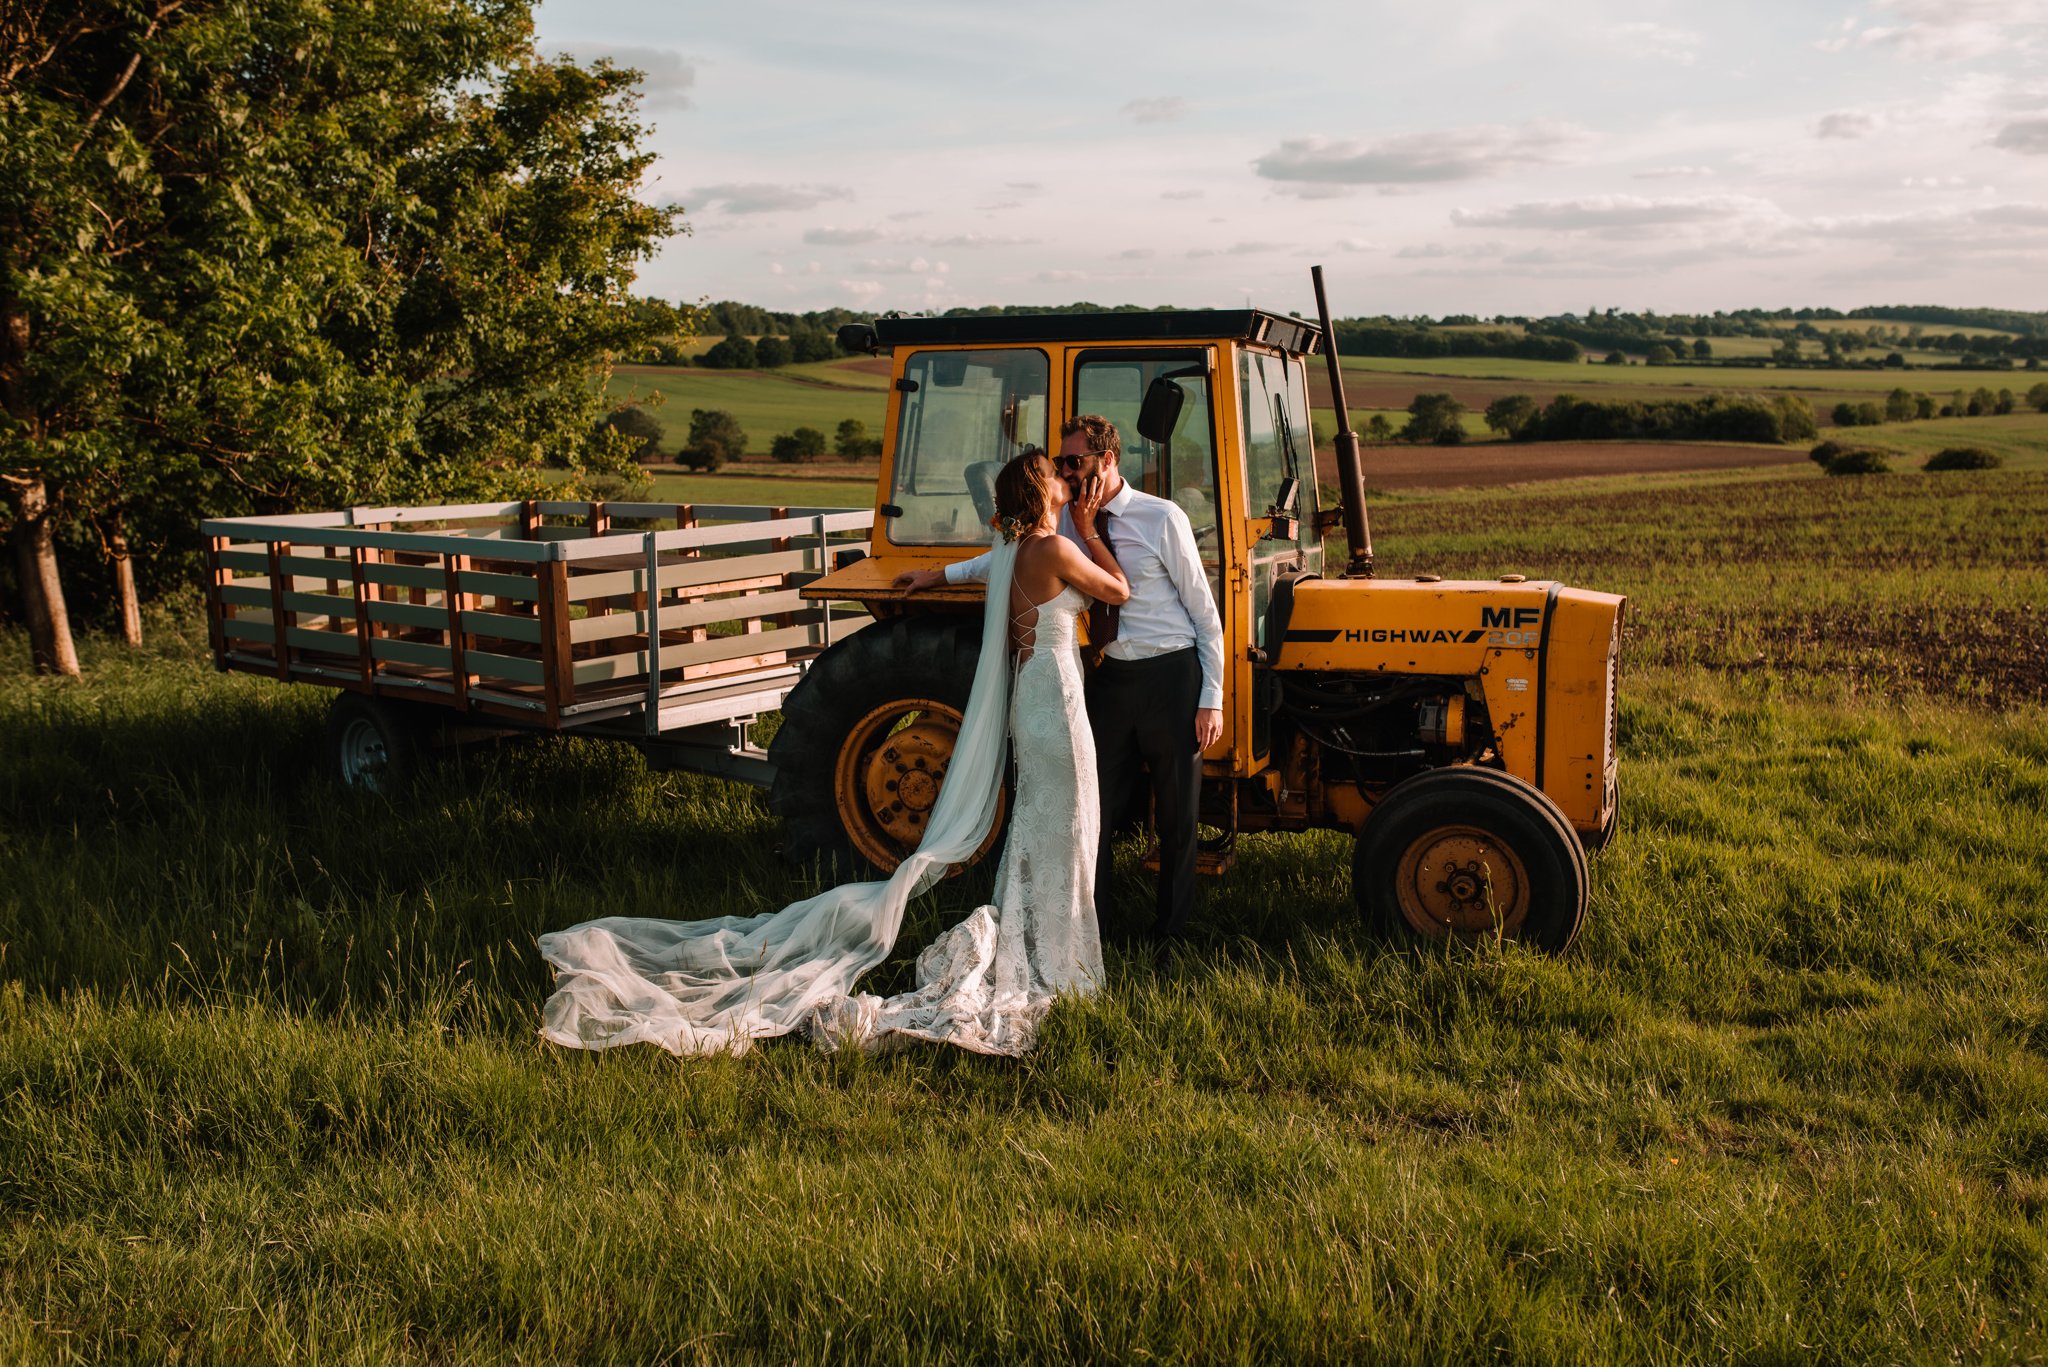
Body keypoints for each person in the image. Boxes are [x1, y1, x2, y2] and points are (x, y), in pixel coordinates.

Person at [537, 451, 1127, 1058]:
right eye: (1057, 472)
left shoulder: (1012, 553)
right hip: (1056, 697)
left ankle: (1046, 930)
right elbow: (1120, 589)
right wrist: (1087, 529)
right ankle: (1062, 947)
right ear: (1043, 490)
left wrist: (935, 576)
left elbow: (981, 566)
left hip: (1034, 695)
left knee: (1041, 815)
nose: (1067, 477)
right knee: (1070, 813)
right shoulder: (1056, 551)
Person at [896, 415, 1225, 950]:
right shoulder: (1065, 525)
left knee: (1176, 814)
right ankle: (1093, 928)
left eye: (1076, 462)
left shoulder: (1162, 518)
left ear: (1108, 460)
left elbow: (1205, 614)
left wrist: (1211, 697)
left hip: (1171, 673)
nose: (1068, 473)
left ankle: (1171, 935)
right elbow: (1005, 557)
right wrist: (939, 574)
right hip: (1110, 677)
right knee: (1098, 809)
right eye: (1062, 464)